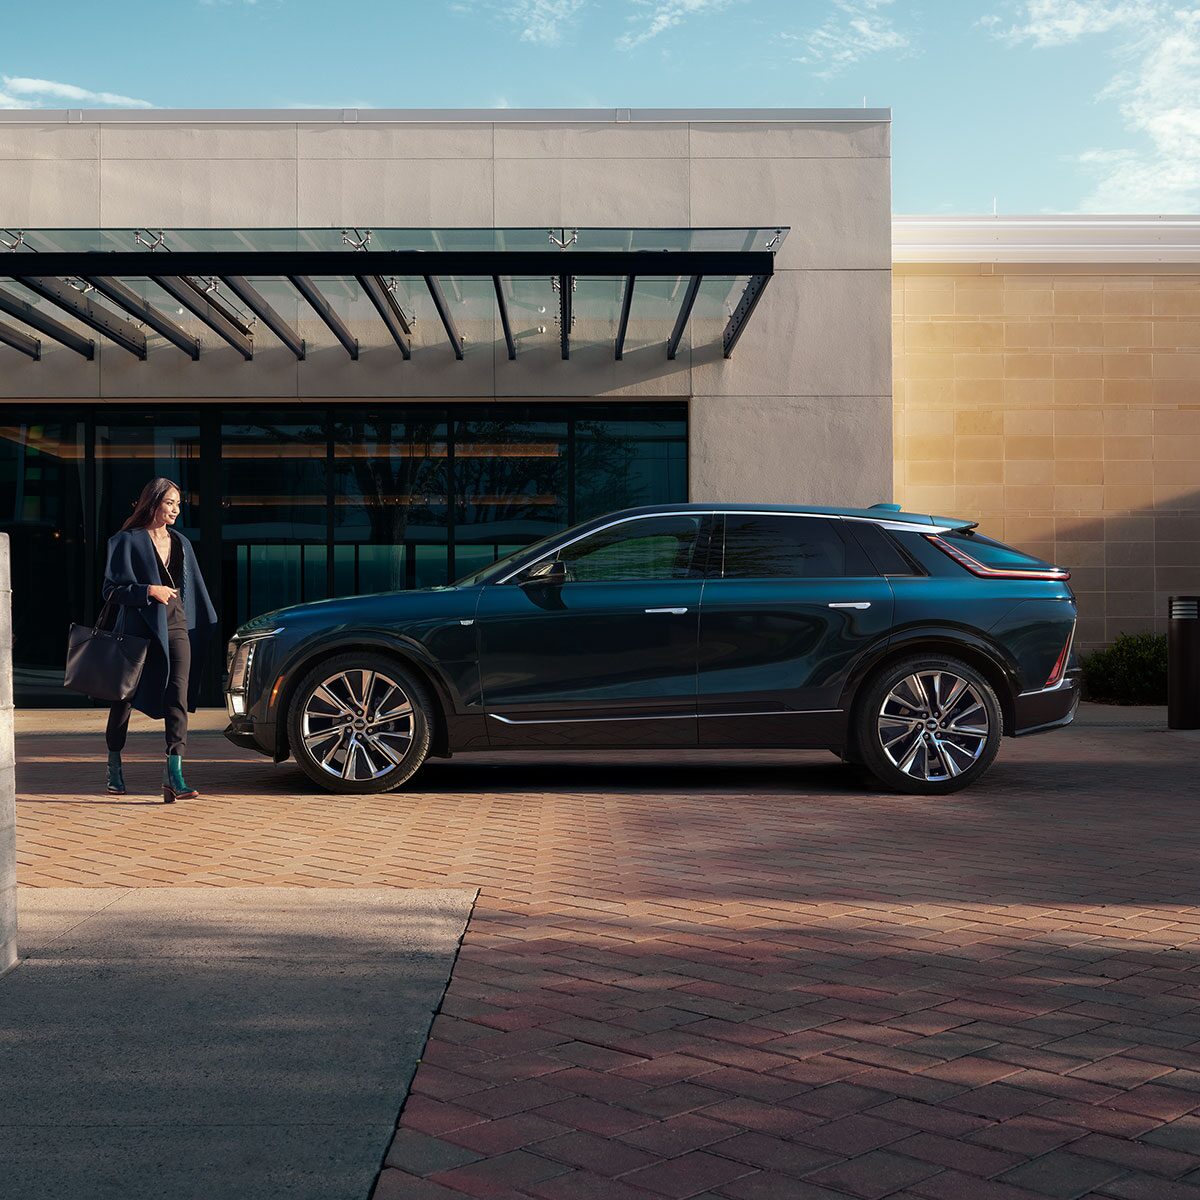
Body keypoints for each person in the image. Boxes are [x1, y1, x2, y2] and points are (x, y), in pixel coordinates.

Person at [102, 478, 218, 802]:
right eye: (170, 503)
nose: (176, 510)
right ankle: (114, 766)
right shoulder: (127, 540)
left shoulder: (181, 542)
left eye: (178, 504)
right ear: (153, 503)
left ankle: (175, 773)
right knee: (123, 698)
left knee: (177, 696)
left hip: (176, 624)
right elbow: (110, 591)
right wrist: (147, 591)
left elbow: (192, 590)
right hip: (138, 626)